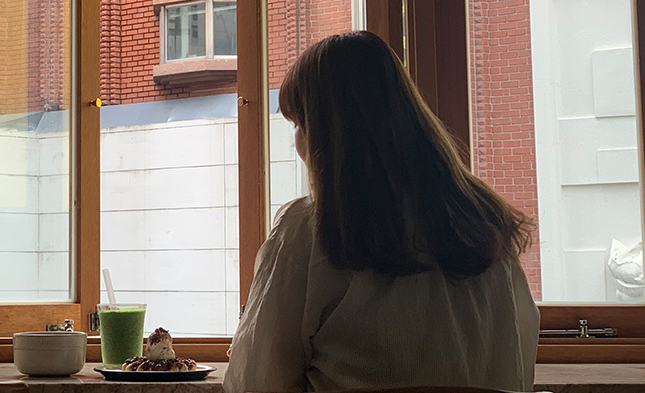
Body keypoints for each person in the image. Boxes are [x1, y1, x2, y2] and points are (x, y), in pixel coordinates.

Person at [225, 31, 539, 392]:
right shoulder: (485, 223)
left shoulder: (308, 231)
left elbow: (255, 382)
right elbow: (518, 362)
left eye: (299, 124)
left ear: (324, 135)